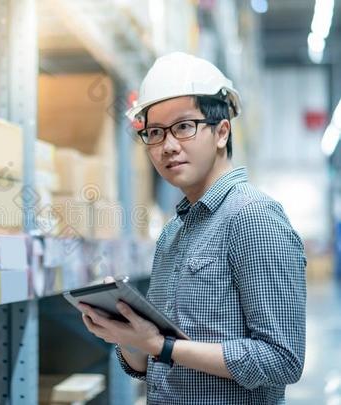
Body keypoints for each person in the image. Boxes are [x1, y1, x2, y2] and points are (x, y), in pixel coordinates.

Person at [78, 52, 306, 404]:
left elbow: (282, 360)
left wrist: (162, 346)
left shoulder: (254, 218)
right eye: (154, 132)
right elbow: (147, 364)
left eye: (184, 127)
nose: (168, 146)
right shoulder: (172, 234)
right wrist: (126, 335)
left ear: (221, 132)